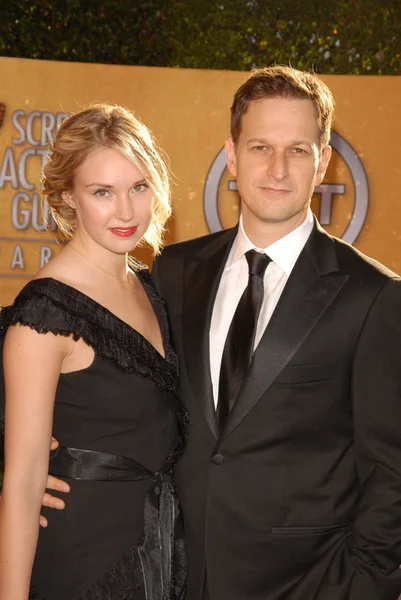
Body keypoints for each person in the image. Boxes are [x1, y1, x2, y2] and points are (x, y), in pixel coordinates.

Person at [41, 66, 401, 599]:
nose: (277, 169)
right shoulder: (174, 272)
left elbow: (391, 475)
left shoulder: (373, 296)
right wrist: (61, 454)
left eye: (298, 150)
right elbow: (119, 383)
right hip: (174, 572)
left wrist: (359, 588)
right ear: (231, 155)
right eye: (260, 147)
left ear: (323, 161)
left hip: (308, 583)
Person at [0, 104, 187, 600]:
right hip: (83, 563)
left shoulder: (151, 290)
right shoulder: (44, 315)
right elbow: (22, 484)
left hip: (163, 551)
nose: (126, 212)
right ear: (68, 198)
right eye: (102, 192)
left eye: (138, 187)